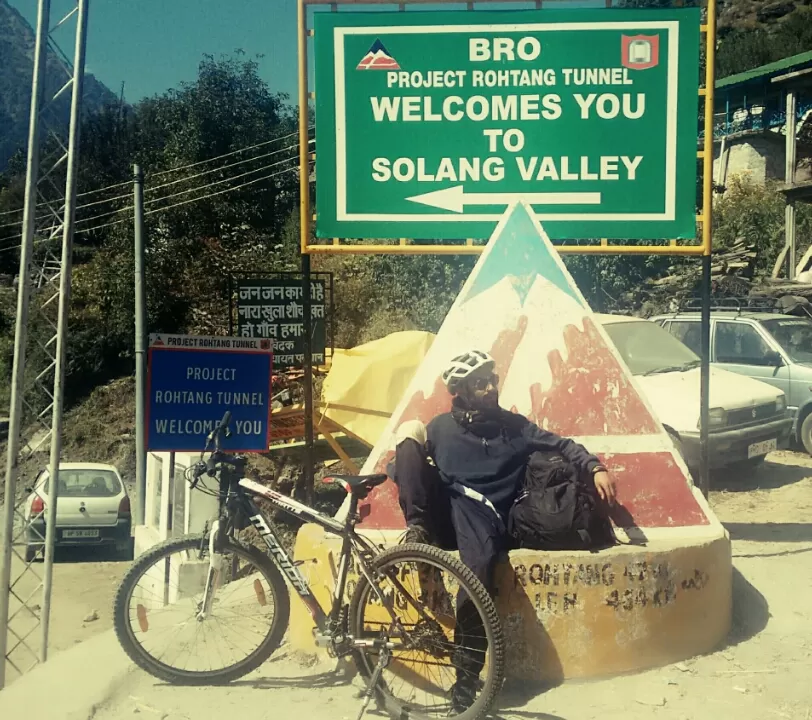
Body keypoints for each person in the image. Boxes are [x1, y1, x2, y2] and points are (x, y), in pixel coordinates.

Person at [390, 349, 617, 711]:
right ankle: (417, 530)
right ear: (461, 389)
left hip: (483, 516)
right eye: (481, 382)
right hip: (443, 510)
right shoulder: (440, 427)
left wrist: (595, 467)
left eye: (492, 379)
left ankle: (464, 679)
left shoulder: (514, 427)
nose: (491, 386)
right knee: (408, 434)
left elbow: (562, 444)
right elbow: (403, 467)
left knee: (477, 572)